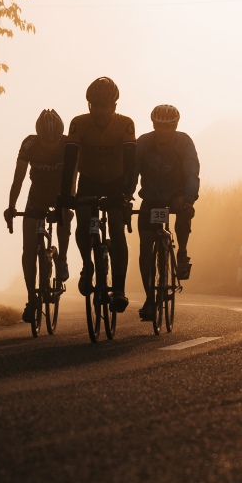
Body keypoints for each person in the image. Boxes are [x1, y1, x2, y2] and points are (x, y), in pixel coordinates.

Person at [57, 76, 136, 313]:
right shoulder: (78, 124)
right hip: (89, 180)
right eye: (96, 106)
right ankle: (87, 265)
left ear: (114, 106)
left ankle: (119, 289)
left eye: (106, 106)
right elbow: (69, 163)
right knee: (83, 222)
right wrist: (65, 195)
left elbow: (132, 166)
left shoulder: (125, 124)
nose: (101, 111)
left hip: (116, 182)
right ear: (90, 105)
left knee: (115, 228)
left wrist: (127, 194)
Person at [131, 104, 200, 321]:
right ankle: (150, 299)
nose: (163, 131)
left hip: (176, 195)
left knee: (183, 209)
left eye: (168, 127)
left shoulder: (184, 142)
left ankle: (182, 253)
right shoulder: (142, 143)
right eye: (159, 126)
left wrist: (189, 199)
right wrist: (126, 196)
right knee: (145, 245)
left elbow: (191, 171)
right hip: (151, 197)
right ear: (153, 125)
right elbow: (131, 172)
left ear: (176, 126)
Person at [4, 109, 71, 323]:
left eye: (54, 141)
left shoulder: (67, 144)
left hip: (61, 192)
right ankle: (31, 297)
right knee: (28, 248)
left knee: (64, 215)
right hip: (37, 195)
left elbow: (74, 176)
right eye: (46, 141)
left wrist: (69, 203)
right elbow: (19, 179)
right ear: (38, 135)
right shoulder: (29, 144)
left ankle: (62, 260)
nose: (50, 145)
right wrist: (11, 206)